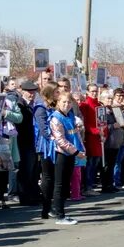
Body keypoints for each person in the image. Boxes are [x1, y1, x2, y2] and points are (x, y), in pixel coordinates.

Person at [45, 91, 83, 225]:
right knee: (60, 184)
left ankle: (57, 209)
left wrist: (80, 148)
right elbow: (60, 140)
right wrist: (76, 151)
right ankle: (60, 215)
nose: (66, 105)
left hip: (70, 153)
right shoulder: (56, 118)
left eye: (69, 102)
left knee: (66, 183)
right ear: (58, 103)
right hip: (61, 153)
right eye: (64, 102)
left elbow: (74, 135)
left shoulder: (70, 116)